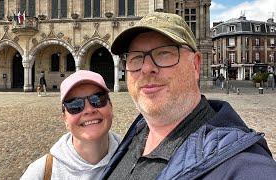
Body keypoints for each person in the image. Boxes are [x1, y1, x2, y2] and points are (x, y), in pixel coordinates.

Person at [100, 12, 276, 180]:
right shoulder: (136, 132)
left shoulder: (241, 163)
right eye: (136, 58)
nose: (146, 68)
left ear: (196, 65)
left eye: (163, 54)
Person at [21, 70, 121, 179]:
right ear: (65, 118)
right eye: (75, 105)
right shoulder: (40, 173)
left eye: (98, 99)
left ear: (111, 107)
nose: (89, 110)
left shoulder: (136, 159)